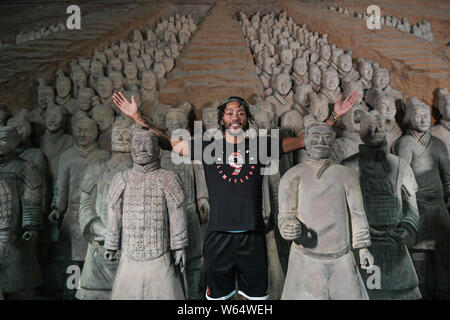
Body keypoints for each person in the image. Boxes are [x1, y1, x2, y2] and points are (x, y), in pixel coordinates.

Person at [112, 90, 359, 300]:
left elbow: (307, 141)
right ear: (222, 119)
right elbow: (169, 142)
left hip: (252, 238)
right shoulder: (208, 147)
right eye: (229, 113)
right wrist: (136, 116)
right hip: (218, 239)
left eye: (240, 112)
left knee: (256, 302)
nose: (235, 116)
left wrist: (335, 115)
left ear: (246, 119)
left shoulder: (261, 146)